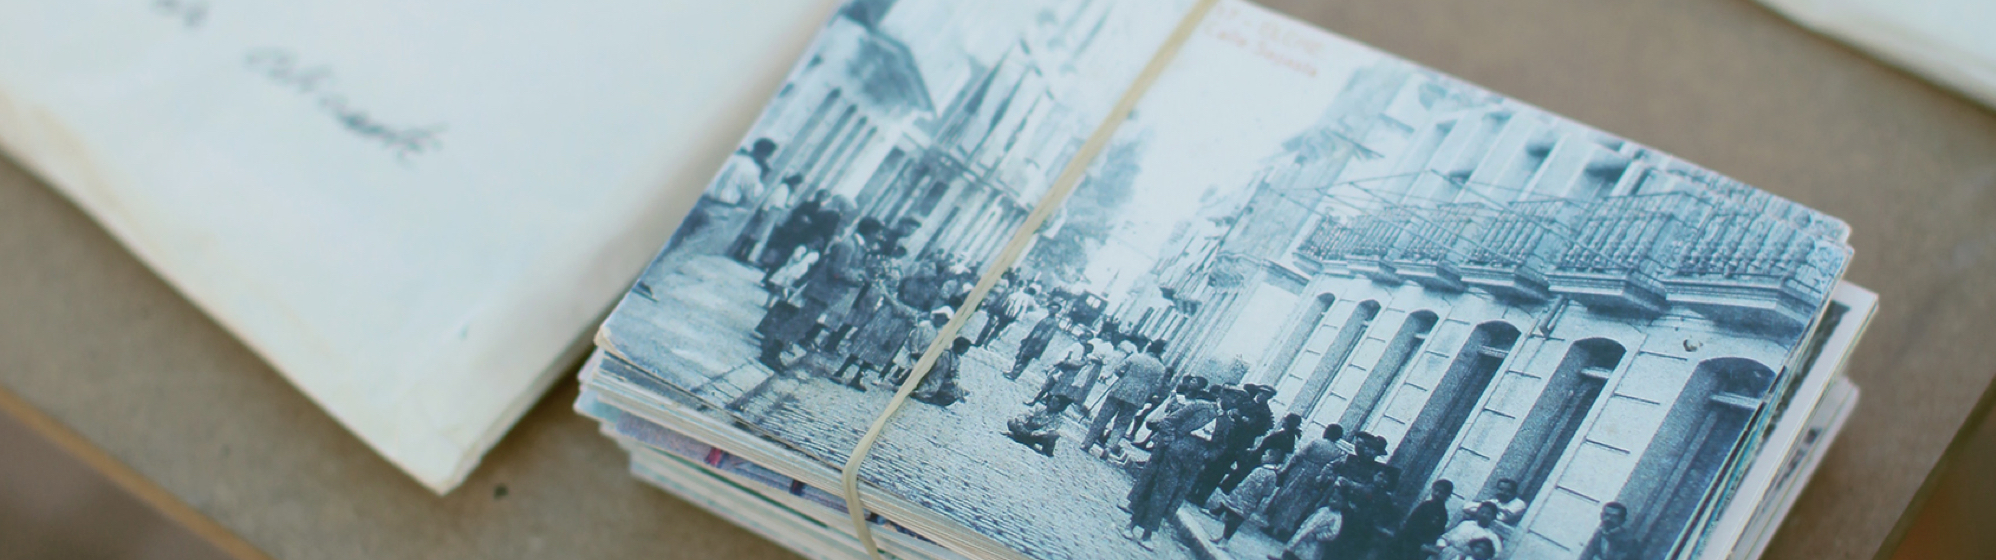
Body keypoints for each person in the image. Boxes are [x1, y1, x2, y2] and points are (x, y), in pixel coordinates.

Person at [757, 198, 859, 370]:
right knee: (796, 310)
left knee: (791, 305)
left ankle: (771, 338)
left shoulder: (828, 214)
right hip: (811, 262)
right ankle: (772, 345)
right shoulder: (832, 217)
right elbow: (824, 240)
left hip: (811, 262)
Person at [1121, 386, 1224, 550]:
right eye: (1233, 398)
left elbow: (1221, 446)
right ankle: (1141, 530)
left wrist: (1208, 455)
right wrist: (1172, 443)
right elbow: (1169, 421)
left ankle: (1139, 527)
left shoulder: (1227, 421)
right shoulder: (1200, 406)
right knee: (1162, 490)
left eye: (1238, 402)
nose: (1234, 404)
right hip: (1177, 450)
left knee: (1173, 496)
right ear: (1223, 396)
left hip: (1195, 460)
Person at [672, 138, 774, 258]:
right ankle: (656, 275)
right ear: (765, 154)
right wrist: (763, 176)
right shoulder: (752, 170)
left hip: (701, 200)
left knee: (674, 241)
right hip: (720, 208)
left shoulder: (731, 158)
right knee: (687, 250)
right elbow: (754, 195)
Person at [1191, 384, 1276, 507]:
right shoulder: (1243, 401)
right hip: (1224, 437)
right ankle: (1191, 490)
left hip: (1237, 445)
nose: (1263, 396)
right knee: (1208, 463)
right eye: (1262, 393)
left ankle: (1201, 497)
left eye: (1267, 395)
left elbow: (1261, 430)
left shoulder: (1265, 413)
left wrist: (1245, 421)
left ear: (1269, 398)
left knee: (1219, 471)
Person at [1262, 424, 1350, 540]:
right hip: (1317, 477)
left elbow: (1298, 455)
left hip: (1301, 470)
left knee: (1287, 497)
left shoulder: (1316, 442)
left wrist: (1287, 468)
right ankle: (1285, 530)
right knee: (1301, 503)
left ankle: (1273, 525)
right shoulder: (1337, 452)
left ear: (1327, 432)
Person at [1085, 339, 1170, 456]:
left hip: (1120, 390)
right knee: (1122, 423)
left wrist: (1126, 376)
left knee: (1103, 417)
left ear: (1149, 347)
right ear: (1161, 353)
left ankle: (1087, 443)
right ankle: (1109, 447)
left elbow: (1118, 370)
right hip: (1137, 398)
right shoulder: (1161, 368)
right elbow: (1157, 387)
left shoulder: (1135, 357)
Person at [1212, 452, 1284, 547]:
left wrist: (1259, 489)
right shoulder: (1259, 469)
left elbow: (1268, 492)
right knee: (1229, 516)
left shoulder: (1272, 475)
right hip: (1239, 496)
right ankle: (1223, 537)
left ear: (1273, 458)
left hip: (1249, 501)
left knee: (1235, 520)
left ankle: (1225, 541)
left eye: (1266, 454)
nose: (1263, 456)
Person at [1221, 413, 1303, 493]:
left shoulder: (1285, 437)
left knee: (1239, 477)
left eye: (1285, 420)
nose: (1283, 421)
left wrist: (1262, 459)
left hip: (1259, 461)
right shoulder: (1287, 436)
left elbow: (1276, 454)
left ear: (1288, 423)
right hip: (1258, 458)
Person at [730, 171, 796, 263]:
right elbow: (772, 200)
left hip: (775, 213)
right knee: (755, 233)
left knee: (760, 236)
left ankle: (747, 254)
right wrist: (765, 210)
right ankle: (741, 252)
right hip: (770, 211)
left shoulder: (789, 192)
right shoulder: (782, 188)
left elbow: (788, 204)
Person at [1380, 480, 1455, 560]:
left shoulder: (1442, 515)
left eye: (1441, 492)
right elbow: (1411, 521)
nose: (1436, 494)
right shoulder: (1425, 505)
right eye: (1435, 490)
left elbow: (1435, 534)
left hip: (1416, 548)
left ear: (1447, 496)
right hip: (1404, 539)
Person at [1428, 502, 1504, 560]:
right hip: (1445, 553)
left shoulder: (1492, 537)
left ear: (1493, 517)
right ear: (1477, 512)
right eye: (1482, 511)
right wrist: (1441, 547)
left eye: (1488, 514)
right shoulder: (1465, 524)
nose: (1484, 515)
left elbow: (1495, 556)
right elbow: (1445, 537)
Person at [1006, 306, 1064, 380]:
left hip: (1036, 343)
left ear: (1057, 311)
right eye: (1050, 308)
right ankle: (1012, 371)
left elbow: (1047, 336)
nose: (1051, 310)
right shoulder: (1046, 318)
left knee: (1025, 359)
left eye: (1054, 309)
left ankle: (1014, 375)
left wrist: (1038, 346)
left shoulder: (1054, 323)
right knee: (1020, 355)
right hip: (1030, 340)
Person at [911, 336, 971, 407]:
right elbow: (936, 369)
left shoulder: (957, 360)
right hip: (933, 377)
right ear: (959, 347)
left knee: (953, 394)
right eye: (965, 349)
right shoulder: (944, 353)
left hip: (944, 381)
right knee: (926, 392)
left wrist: (955, 379)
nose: (965, 351)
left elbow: (956, 373)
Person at [1005, 395, 1071, 457]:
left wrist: (1034, 433)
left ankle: (1021, 438)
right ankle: (1025, 439)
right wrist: (1021, 424)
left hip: (1037, 436)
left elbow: (1048, 429)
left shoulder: (1058, 419)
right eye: (1050, 401)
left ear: (1060, 407)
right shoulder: (1039, 408)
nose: (1050, 403)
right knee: (1012, 421)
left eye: (1053, 403)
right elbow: (1025, 415)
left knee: (1053, 435)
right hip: (1026, 430)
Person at [977, 282, 1037, 346]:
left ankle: (982, 342)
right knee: (997, 328)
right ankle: (986, 342)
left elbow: (1023, 307)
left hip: (1003, 311)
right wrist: (1018, 316)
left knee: (993, 327)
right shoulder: (1024, 296)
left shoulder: (1016, 292)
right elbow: (1028, 308)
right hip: (1007, 313)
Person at [1463, 478, 1529, 526]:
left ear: (1514, 493)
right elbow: (1466, 507)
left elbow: (1501, 518)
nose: (1503, 493)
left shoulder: (1519, 504)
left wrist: (1483, 510)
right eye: (1500, 489)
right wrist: (1484, 507)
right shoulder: (1495, 501)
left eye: (1508, 491)